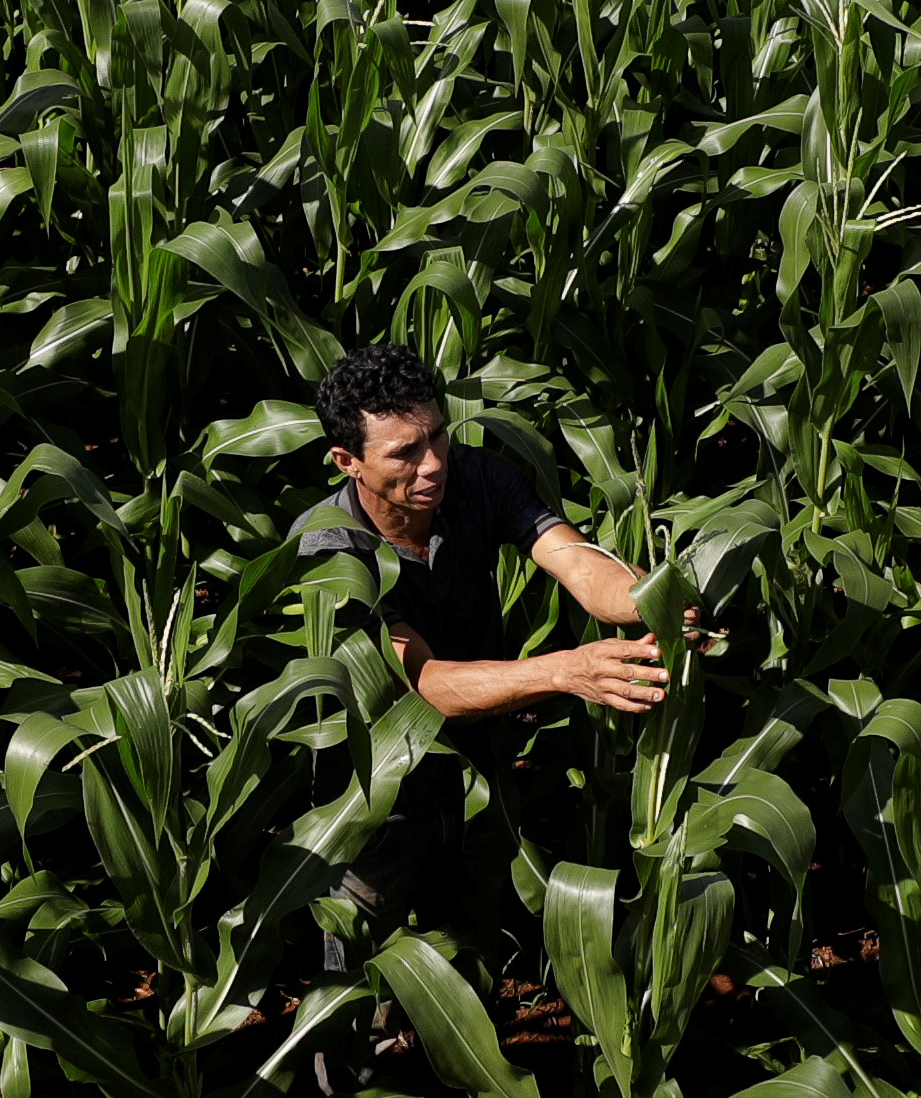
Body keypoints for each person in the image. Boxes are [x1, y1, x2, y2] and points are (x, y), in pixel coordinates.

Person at [287, 344, 699, 975]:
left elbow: (573, 559)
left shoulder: (476, 478)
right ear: (348, 462)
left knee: (470, 956)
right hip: (373, 799)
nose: (432, 466)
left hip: (478, 777)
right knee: (352, 980)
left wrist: (650, 599)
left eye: (438, 438)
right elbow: (423, 685)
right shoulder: (329, 552)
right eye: (403, 453)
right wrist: (567, 671)